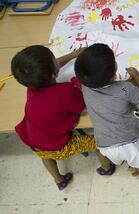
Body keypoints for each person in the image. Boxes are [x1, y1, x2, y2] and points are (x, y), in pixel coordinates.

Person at [12, 45, 96, 190]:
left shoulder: (32, 84)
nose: (57, 62)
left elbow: (52, 66)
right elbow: (80, 107)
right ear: (53, 74)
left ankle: (59, 180)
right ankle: (107, 167)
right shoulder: (64, 92)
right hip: (59, 146)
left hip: (34, 140)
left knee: (45, 156)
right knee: (100, 142)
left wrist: (73, 54)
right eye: (54, 60)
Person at [74, 43, 139, 181]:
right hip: (130, 143)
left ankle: (112, 167)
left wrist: (127, 84)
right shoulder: (125, 88)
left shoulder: (85, 87)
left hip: (104, 145)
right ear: (114, 73)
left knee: (116, 155)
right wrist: (136, 77)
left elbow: (113, 92)